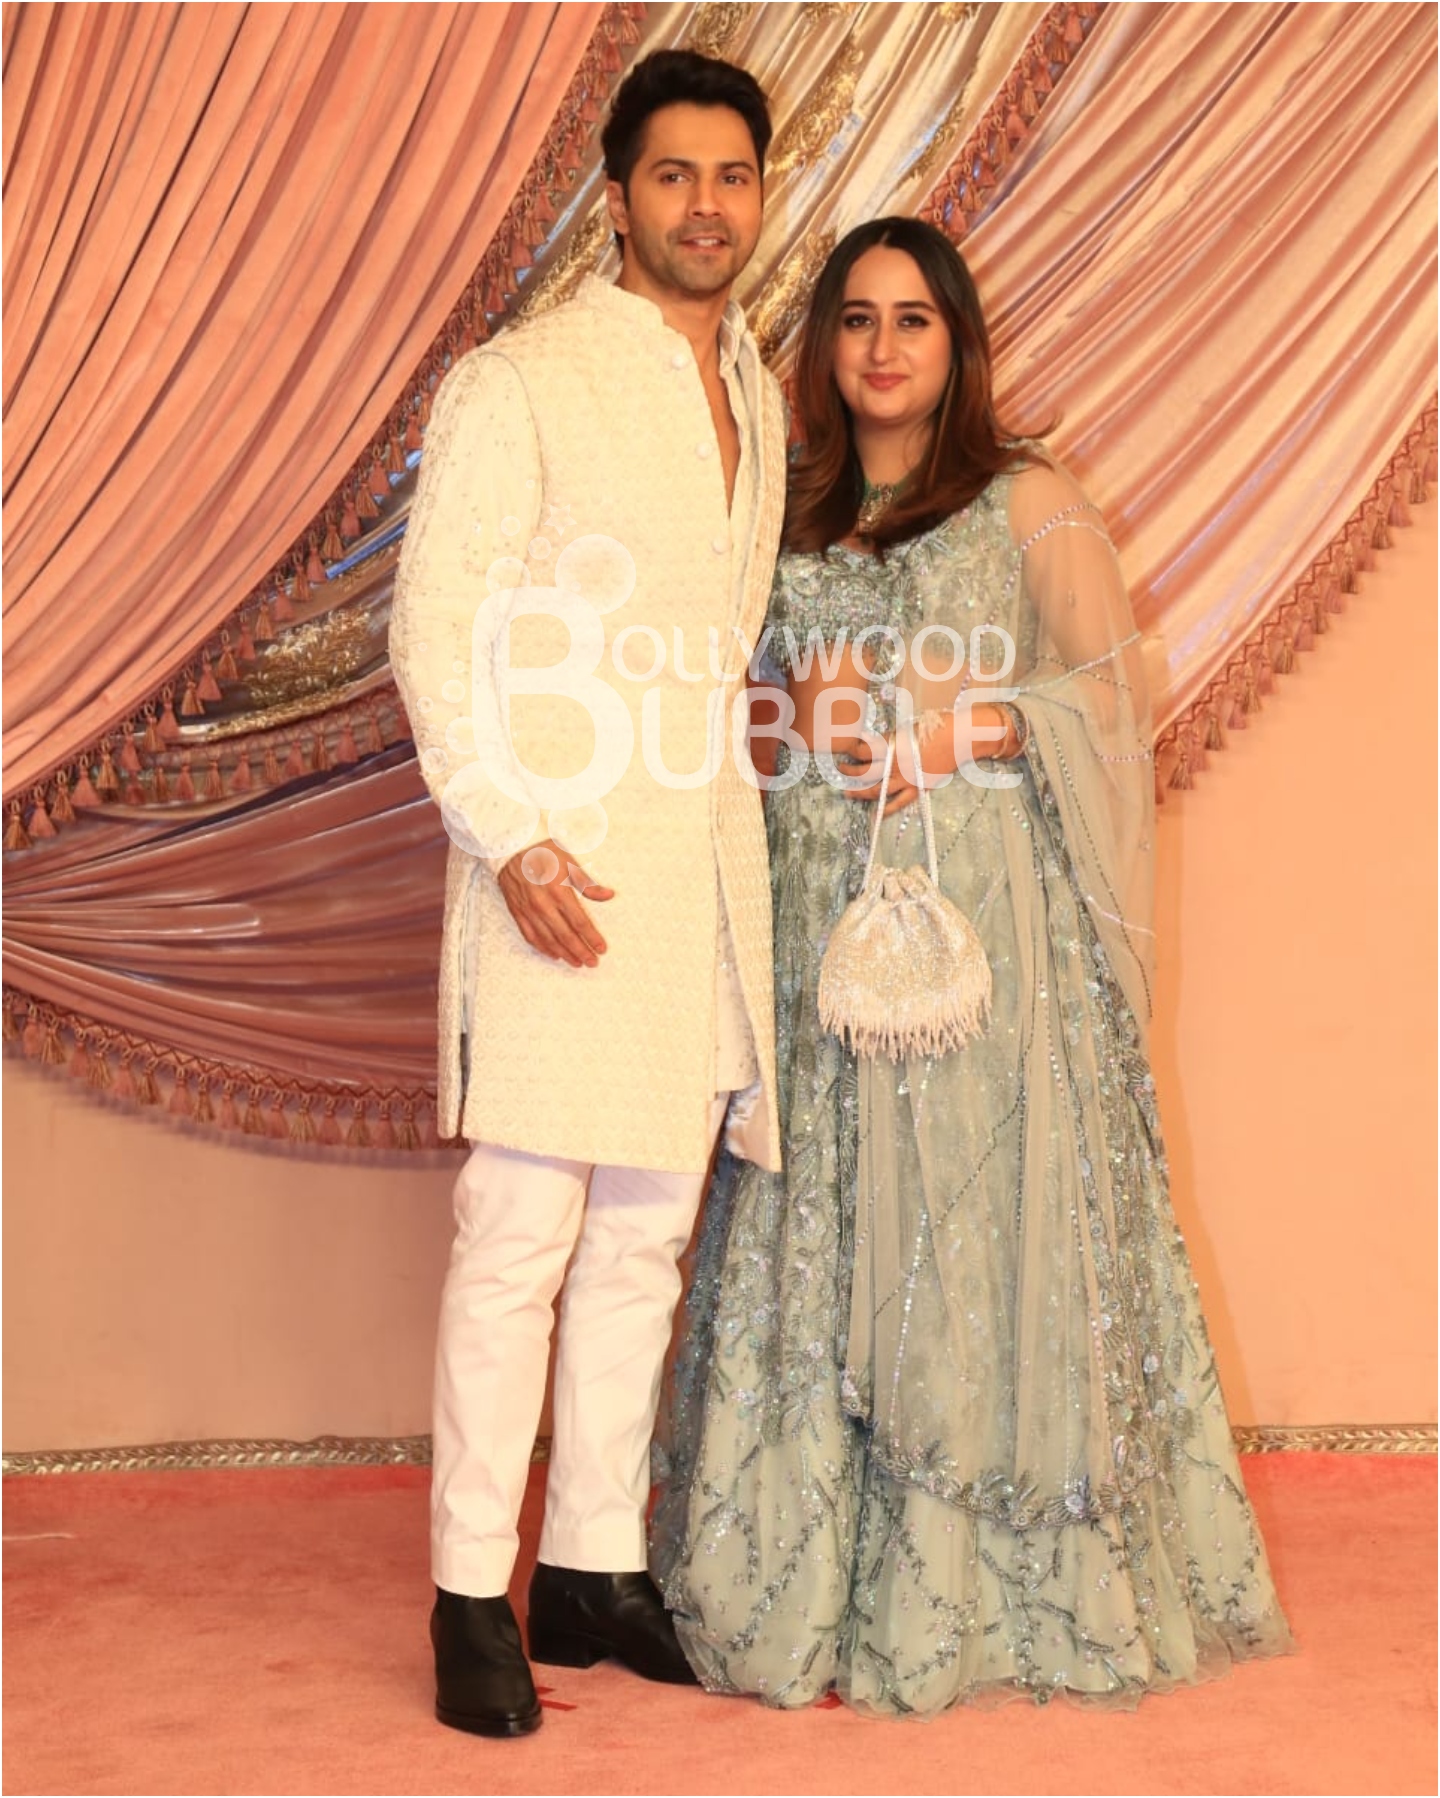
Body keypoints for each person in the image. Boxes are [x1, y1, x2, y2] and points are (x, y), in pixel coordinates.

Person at [650, 217, 1293, 1715]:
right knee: (817, 1226)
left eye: (915, 321)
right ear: (823, 346)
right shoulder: (777, 513)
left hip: (979, 943)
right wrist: (787, 719)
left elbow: (1107, 704)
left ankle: (984, 1587)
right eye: (858, 320)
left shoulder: (1024, 503)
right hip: (818, 919)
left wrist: (972, 727)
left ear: (958, 344)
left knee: (966, 1219)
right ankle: (801, 1581)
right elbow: (715, 715)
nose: (882, 347)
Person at [389, 50, 787, 1737]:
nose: (708, 206)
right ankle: (471, 1591)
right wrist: (511, 832)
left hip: (702, 871)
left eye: (735, 177)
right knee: (519, 1238)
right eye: (676, 176)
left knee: (648, 1237)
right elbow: (433, 628)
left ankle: (595, 1564)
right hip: (556, 867)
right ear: (617, 193)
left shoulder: (758, 389)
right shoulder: (523, 378)